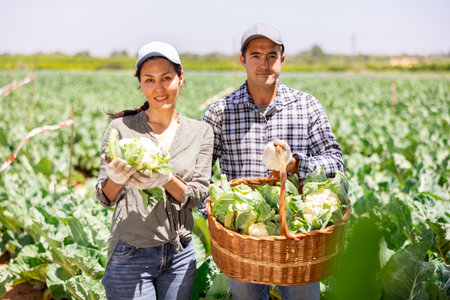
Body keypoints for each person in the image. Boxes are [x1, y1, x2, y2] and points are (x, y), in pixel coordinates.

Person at [202, 23, 345, 300]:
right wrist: (216, 216)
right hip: (242, 243)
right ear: (242, 60)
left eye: (272, 55)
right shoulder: (220, 113)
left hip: (296, 239)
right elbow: (199, 174)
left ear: (282, 59)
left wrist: (296, 165)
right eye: (255, 55)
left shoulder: (307, 106)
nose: (264, 64)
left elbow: (336, 163)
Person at [96, 41, 214, 299]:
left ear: (180, 79)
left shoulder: (201, 132)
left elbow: (198, 195)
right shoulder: (121, 128)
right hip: (130, 253)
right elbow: (105, 197)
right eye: (149, 80)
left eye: (166, 78)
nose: (159, 88)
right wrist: (116, 179)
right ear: (140, 83)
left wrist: (166, 179)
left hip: (180, 254)